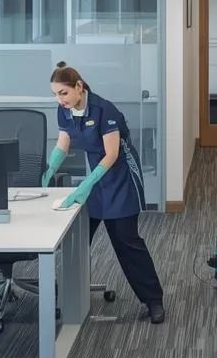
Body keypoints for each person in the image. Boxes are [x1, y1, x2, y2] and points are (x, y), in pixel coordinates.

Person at [44, 61, 166, 325]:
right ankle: (63, 299)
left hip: (120, 178)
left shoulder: (103, 110)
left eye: (63, 93)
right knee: (74, 238)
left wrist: (86, 184)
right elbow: (63, 143)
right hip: (94, 178)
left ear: (79, 87)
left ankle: (153, 300)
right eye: (55, 94)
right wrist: (49, 167)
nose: (59, 99)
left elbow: (111, 155)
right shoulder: (63, 110)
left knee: (126, 241)